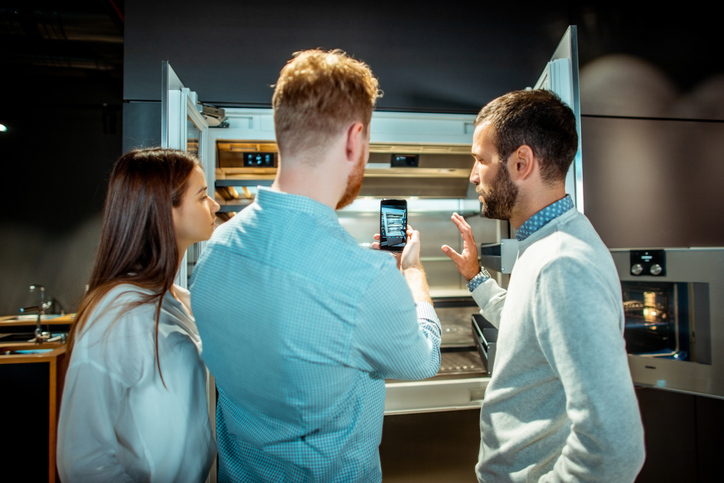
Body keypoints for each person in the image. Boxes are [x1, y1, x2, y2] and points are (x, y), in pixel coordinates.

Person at [190, 49, 441, 482]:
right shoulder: (368, 277)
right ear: (354, 138)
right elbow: (422, 361)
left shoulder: (214, 251)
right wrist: (414, 274)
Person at [441, 89, 645, 482]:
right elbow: (528, 325)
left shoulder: (562, 262)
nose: (473, 174)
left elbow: (615, 448)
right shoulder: (545, 247)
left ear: (521, 162)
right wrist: (476, 277)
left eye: (480, 160)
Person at [57, 148, 219, 482]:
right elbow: (82, 459)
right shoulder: (117, 313)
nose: (214, 206)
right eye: (202, 197)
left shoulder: (181, 300)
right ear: (165, 210)